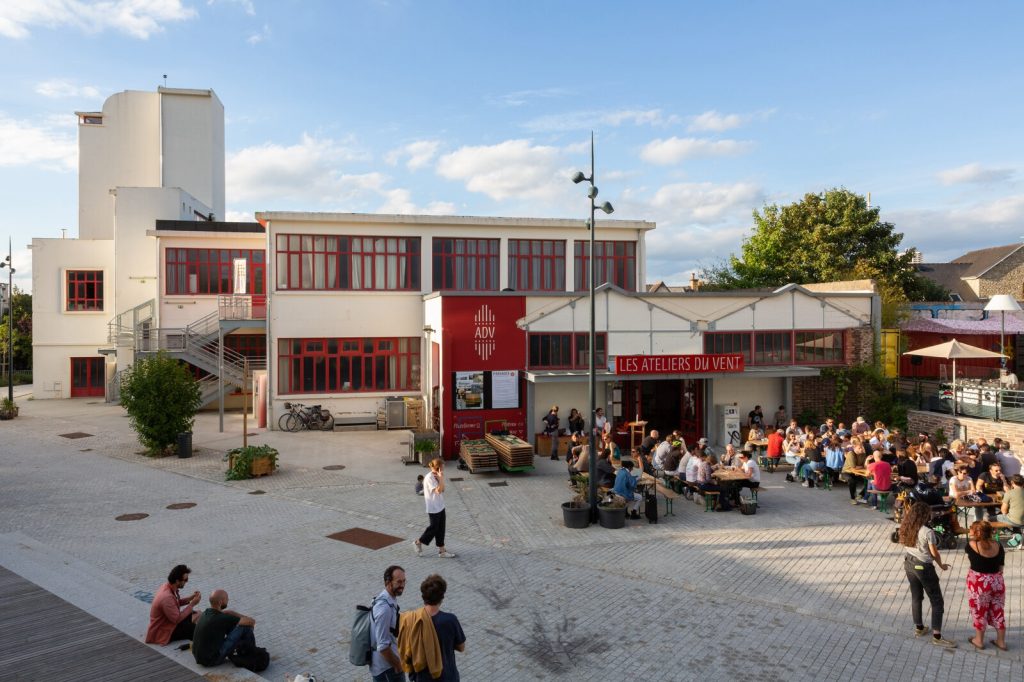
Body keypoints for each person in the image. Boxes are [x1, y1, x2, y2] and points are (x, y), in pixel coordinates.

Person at [898, 501, 956, 648]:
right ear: (925, 515)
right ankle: (937, 636)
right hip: (923, 567)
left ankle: (919, 628)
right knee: (937, 601)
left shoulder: (906, 526)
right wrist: (941, 565)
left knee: (916, 597)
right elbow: (934, 553)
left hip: (909, 563)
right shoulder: (927, 532)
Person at [400, 574, 465, 681]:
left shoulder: (411, 619)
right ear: (442, 597)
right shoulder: (450, 620)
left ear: (423, 596)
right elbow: (461, 647)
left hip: (421, 677)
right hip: (446, 676)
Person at [964, 521, 1007, 651]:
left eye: (971, 528)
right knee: (998, 611)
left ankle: (979, 641)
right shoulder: (998, 545)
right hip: (997, 582)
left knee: (979, 611)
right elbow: (1001, 567)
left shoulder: (972, 545)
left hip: (979, 584)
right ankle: (1001, 642)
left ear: (977, 532)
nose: (970, 530)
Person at [191, 589, 258, 667]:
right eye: (226, 598)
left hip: (199, 657)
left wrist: (229, 612)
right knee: (246, 627)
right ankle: (251, 653)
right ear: (220, 602)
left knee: (233, 626)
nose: (228, 600)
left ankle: (244, 650)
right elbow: (251, 621)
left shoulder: (206, 613)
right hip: (212, 660)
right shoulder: (223, 618)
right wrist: (233, 613)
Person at [145, 564, 201, 645]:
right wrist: (192, 604)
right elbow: (177, 619)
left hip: (168, 622)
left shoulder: (167, 586)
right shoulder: (167, 597)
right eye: (185, 580)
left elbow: (175, 603)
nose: (186, 582)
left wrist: (190, 598)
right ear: (177, 581)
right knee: (195, 630)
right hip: (162, 631)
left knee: (191, 616)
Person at [414, 458, 457, 559]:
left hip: (440, 506)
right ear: (438, 467)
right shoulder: (429, 478)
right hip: (433, 507)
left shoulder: (437, 475)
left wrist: (441, 478)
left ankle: (442, 551)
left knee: (441, 529)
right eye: (443, 465)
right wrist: (441, 478)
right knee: (433, 528)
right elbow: (438, 491)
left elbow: (443, 489)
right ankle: (418, 542)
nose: (444, 467)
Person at [371, 565, 407, 682]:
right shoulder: (384, 609)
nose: (402, 585)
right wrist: (398, 665)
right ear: (388, 582)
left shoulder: (386, 598)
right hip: (387, 670)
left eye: (404, 581)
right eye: (399, 582)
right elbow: (382, 646)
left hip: (387, 667)